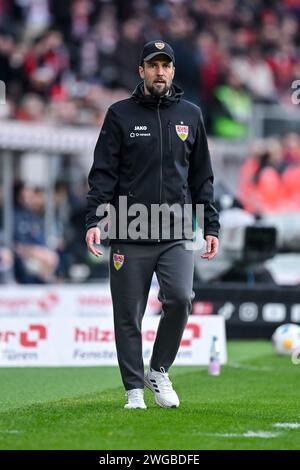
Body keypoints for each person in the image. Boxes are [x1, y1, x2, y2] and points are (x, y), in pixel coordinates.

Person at [85, 40, 220, 409]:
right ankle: (133, 390)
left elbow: (202, 178)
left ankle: (158, 370)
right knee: (128, 314)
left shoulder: (191, 115)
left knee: (180, 299)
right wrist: (95, 219)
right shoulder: (119, 115)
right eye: (153, 65)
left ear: (174, 71)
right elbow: (103, 174)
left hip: (177, 232)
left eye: (166, 65)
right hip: (130, 231)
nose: (160, 72)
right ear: (141, 71)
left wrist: (210, 226)